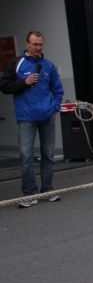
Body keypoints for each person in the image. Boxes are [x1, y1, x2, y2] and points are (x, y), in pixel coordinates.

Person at [0, 31, 64, 208]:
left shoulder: (48, 65)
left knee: (48, 155)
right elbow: (4, 86)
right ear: (27, 44)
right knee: (26, 155)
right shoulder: (16, 63)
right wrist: (24, 83)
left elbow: (57, 89)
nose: (38, 47)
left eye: (40, 44)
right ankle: (29, 193)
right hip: (26, 117)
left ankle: (47, 189)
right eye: (35, 44)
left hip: (47, 116)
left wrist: (55, 107)